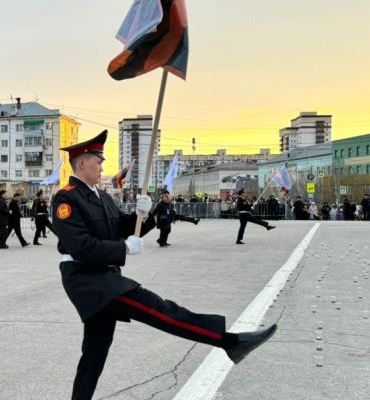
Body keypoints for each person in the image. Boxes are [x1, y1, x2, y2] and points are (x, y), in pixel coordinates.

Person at [52, 130, 277, 399]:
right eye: (98, 161)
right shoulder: (66, 198)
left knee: (95, 351)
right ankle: (229, 341)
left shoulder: (102, 196)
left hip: (105, 276)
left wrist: (146, 213)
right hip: (88, 279)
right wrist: (123, 248)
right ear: (81, 163)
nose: (102, 166)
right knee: (160, 310)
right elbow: (80, 245)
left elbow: (124, 227)